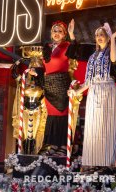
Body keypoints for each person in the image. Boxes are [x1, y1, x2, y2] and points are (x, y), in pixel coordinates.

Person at [68, 22, 116, 169]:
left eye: (102, 35)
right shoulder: (92, 58)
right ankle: (93, 163)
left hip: (108, 89)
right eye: (97, 35)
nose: (99, 37)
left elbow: (114, 59)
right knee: (93, 128)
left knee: (106, 127)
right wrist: (76, 91)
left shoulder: (111, 51)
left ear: (107, 37)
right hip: (94, 92)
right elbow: (88, 82)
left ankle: (105, 163)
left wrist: (114, 38)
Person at [30, 19, 78, 155]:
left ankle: (62, 146)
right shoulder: (47, 47)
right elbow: (44, 68)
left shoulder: (67, 45)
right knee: (52, 115)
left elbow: (74, 52)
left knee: (62, 114)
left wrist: (71, 34)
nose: (57, 33)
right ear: (51, 33)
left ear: (64, 34)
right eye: (55, 31)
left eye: (60, 31)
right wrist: (36, 72)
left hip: (62, 83)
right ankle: (51, 145)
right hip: (49, 84)